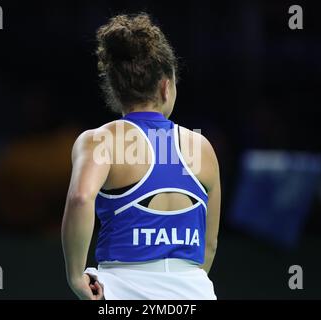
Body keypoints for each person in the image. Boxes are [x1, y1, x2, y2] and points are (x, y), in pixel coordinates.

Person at [61, 13, 221, 300]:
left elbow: (80, 198)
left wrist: (75, 276)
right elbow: (209, 246)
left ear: (114, 89)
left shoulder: (100, 141)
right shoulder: (201, 147)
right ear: (165, 86)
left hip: (122, 290)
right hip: (194, 291)